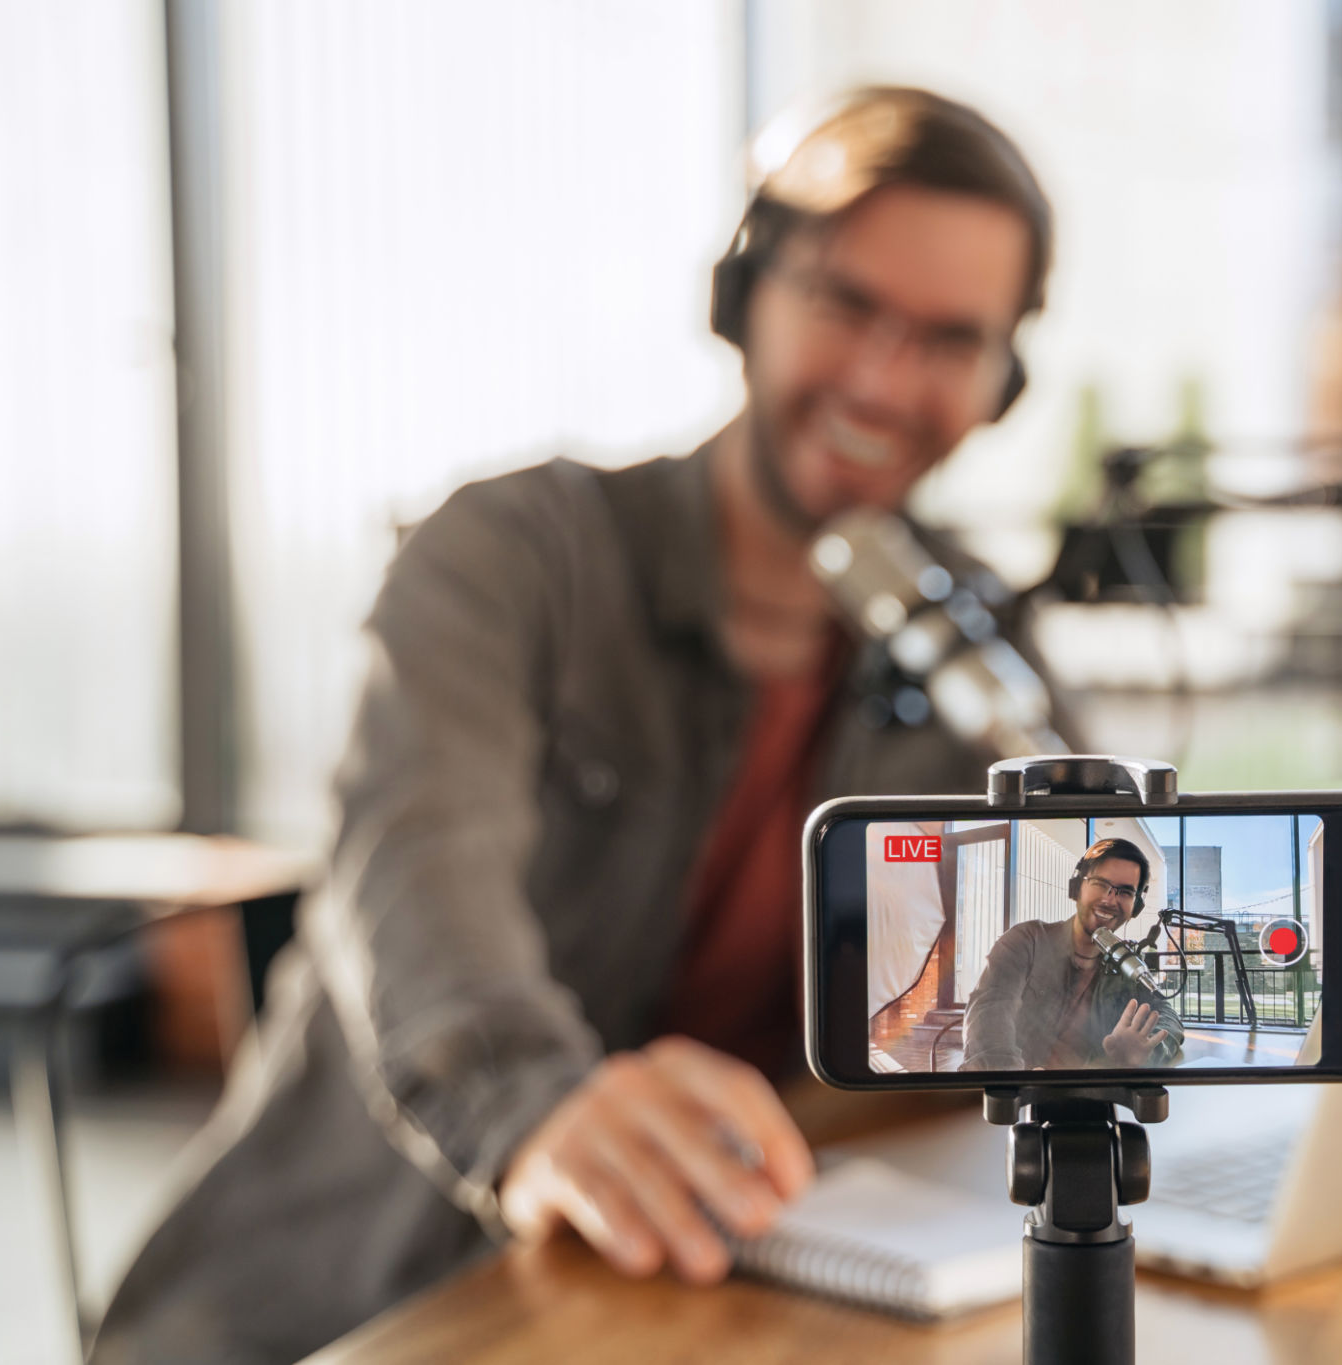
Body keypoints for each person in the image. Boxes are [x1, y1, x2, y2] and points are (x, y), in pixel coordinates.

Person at [92, 87, 1067, 1365]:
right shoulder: (506, 557)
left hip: (709, 1291)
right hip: (357, 1299)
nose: (884, 380)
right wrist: (532, 1102)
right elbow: (420, 870)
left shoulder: (961, 628)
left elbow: (1066, 907)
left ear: (1000, 384)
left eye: (947, 338)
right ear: (741, 296)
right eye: (845, 304)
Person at [960, 837, 1185, 1071]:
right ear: (1077, 888)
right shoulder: (1026, 940)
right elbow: (989, 1012)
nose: (1110, 899)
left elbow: (1168, 1017)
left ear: (1136, 906)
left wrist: (1145, 1051)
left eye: (1125, 892)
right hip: (1016, 1097)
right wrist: (1016, 1082)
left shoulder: (1126, 966)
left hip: (1088, 1095)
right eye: (1099, 883)